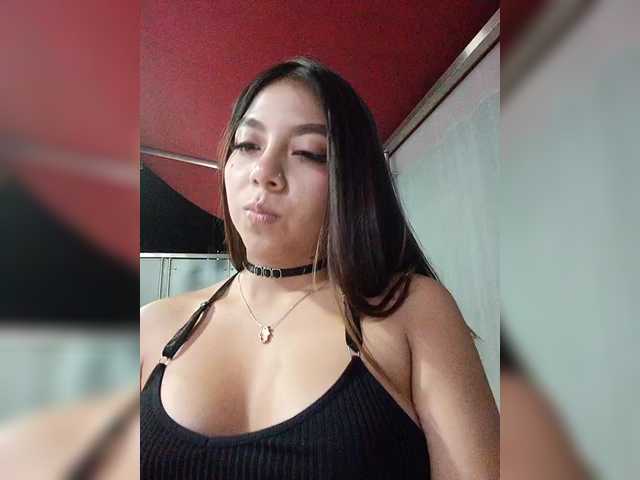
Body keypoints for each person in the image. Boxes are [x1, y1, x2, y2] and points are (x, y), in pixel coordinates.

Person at [140, 57, 498, 479]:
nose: (264, 172)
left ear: (353, 180)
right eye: (248, 144)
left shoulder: (410, 311)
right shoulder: (153, 328)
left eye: (309, 153)